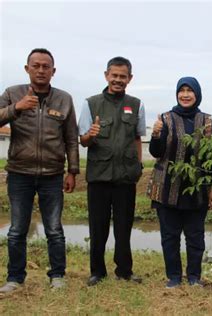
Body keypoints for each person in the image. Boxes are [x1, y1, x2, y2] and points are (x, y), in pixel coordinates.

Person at [0, 48, 79, 293]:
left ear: (53, 71)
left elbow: (71, 139)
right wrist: (18, 107)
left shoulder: (64, 99)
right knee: (16, 229)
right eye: (36, 65)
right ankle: (15, 278)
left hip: (52, 175)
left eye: (46, 66)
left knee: (54, 229)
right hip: (19, 173)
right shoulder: (13, 93)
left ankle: (57, 275)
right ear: (27, 68)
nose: (41, 70)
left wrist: (72, 171)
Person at [78, 56, 146, 286]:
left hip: (126, 176)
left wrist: (138, 166)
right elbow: (83, 141)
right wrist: (91, 134)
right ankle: (97, 271)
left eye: (123, 76)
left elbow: (137, 138)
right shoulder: (91, 103)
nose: (118, 80)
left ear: (130, 78)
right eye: (114, 75)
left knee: (124, 226)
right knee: (98, 227)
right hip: (99, 175)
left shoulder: (137, 104)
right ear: (106, 75)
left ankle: (124, 270)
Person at [147, 76, 212, 288]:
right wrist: (156, 134)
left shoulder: (206, 121)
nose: (185, 95)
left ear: (197, 94)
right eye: (182, 90)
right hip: (167, 187)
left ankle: (194, 276)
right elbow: (156, 152)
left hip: (197, 189)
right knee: (170, 236)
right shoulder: (166, 119)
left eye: (190, 91)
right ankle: (174, 277)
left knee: (195, 236)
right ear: (177, 93)